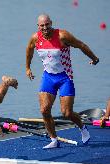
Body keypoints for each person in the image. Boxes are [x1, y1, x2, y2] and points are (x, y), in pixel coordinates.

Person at [25, 14, 99, 149]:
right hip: (48, 77)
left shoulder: (62, 36)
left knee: (67, 113)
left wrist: (94, 58)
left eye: (47, 24)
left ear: (51, 23)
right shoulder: (35, 38)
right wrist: (28, 68)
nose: (45, 27)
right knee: (44, 110)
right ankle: (54, 139)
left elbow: (81, 45)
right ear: (38, 26)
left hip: (65, 77)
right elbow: (29, 50)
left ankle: (82, 128)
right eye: (42, 25)